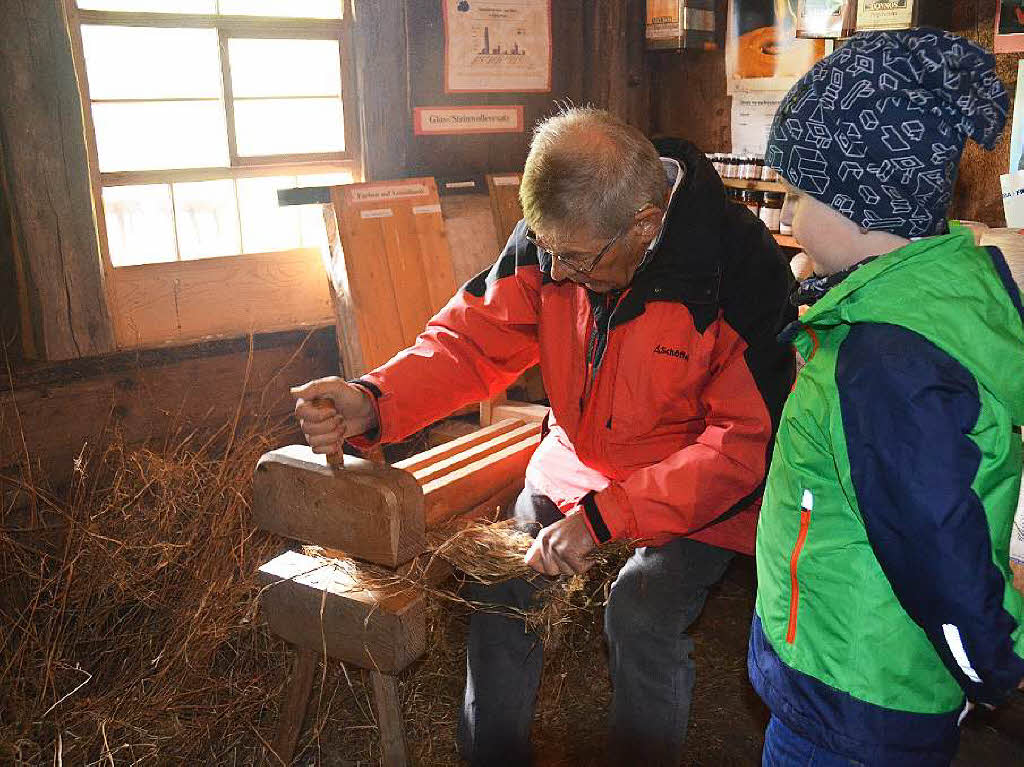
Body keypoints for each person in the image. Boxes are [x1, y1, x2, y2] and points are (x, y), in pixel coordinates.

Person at [292, 106, 796, 766]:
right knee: (501, 590)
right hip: (576, 465)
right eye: (545, 251)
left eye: (575, 260)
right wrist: (373, 398)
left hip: (694, 490)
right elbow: (470, 343)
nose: (554, 273)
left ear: (644, 225)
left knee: (639, 614)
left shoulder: (738, 269)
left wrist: (607, 518)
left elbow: (740, 444)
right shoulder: (560, 237)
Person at [749, 29, 1024, 766]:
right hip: (848, 664)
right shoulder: (897, 310)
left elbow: (937, 545)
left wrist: (993, 668)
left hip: (855, 703)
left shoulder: (883, 360)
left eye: (797, 195)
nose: (783, 218)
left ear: (864, 208)